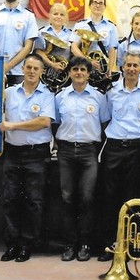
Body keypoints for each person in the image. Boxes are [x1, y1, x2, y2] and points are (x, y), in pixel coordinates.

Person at [97, 51, 140, 262]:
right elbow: (105, 118)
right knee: (109, 196)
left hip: (138, 149)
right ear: (122, 67)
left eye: (136, 65)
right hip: (114, 147)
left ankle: (135, 244)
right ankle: (110, 244)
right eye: (128, 65)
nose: (132, 68)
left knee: (135, 197)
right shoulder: (112, 90)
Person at [0, 54, 55, 263]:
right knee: (11, 200)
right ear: (23, 69)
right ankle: (12, 244)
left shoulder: (47, 95)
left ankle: (26, 245)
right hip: (12, 152)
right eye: (29, 67)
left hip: (36, 154)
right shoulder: (9, 93)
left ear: (41, 72)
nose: (32, 71)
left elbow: (43, 122)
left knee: (34, 201)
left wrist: (13, 126)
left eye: (36, 69)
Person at [54, 56, 110, 262]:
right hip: (66, 152)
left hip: (89, 153)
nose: (79, 73)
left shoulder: (98, 97)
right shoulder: (60, 97)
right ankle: (69, 244)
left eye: (83, 70)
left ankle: (85, 243)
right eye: (75, 69)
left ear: (89, 73)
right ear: (69, 73)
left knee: (87, 199)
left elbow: (104, 124)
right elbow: (56, 123)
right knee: (68, 199)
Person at [70, 0, 119, 89]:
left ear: (104, 6)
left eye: (101, 3)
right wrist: (88, 61)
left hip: (102, 70)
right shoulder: (80, 25)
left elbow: (112, 50)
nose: (98, 5)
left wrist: (109, 69)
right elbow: (73, 48)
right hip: (84, 69)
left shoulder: (111, 26)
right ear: (90, 5)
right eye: (95, 2)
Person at [34, 3, 72, 93]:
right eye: (55, 14)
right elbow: (38, 51)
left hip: (63, 76)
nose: (58, 17)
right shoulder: (41, 32)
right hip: (44, 74)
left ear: (66, 18)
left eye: (62, 14)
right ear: (50, 16)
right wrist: (51, 64)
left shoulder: (71, 34)